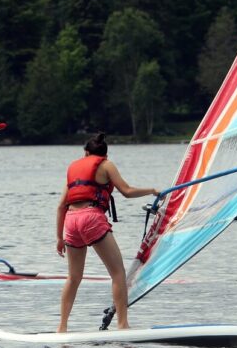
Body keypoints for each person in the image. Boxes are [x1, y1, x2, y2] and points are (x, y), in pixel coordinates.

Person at [55, 133, 159, 333]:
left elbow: (61, 206)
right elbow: (127, 191)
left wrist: (59, 238)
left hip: (70, 221)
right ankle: (122, 325)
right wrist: (152, 190)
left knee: (74, 277)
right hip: (91, 218)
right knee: (118, 273)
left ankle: (62, 327)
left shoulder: (73, 169)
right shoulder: (106, 165)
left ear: (86, 152)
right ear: (105, 153)